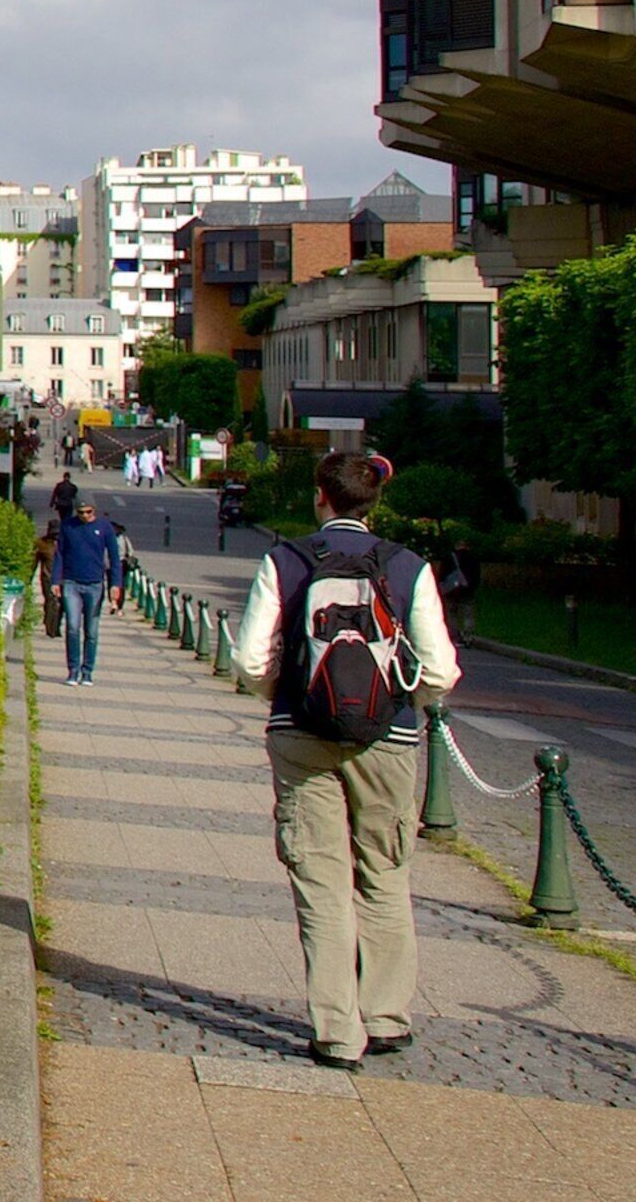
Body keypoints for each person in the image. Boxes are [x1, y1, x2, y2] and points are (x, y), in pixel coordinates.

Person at [232, 451, 459, 1071]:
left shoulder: (286, 560)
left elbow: (251, 661)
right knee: (384, 875)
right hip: (388, 740)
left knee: (321, 883)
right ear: (373, 503)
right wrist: (405, 700)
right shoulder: (408, 567)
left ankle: (336, 1031)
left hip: (300, 738)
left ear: (319, 497)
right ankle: (386, 1018)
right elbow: (439, 670)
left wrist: (289, 695)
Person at [51, 497, 123, 684]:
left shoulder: (104, 528)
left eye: (88, 512)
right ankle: (73, 670)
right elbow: (59, 554)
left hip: (94, 584)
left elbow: (115, 558)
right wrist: (55, 580)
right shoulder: (68, 526)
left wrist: (116, 584)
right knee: (73, 627)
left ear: (95, 511)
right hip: (71, 582)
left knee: (91, 630)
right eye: (81, 512)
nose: (84, 516)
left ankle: (87, 671)